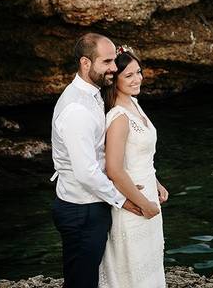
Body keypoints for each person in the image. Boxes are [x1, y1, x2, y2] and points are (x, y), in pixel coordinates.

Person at [51, 33, 145, 288]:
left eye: (114, 60)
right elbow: (86, 173)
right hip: (82, 209)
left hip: (91, 204)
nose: (114, 68)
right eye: (106, 62)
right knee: (82, 282)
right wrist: (123, 199)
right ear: (85, 63)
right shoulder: (76, 109)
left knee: (87, 277)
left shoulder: (93, 95)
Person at [98, 45, 168, 288]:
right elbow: (114, 170)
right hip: (133, 201)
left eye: (138, 72)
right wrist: (143, 203)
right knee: (132, 268)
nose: (137, 79)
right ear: (113, 79)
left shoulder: (134, 104)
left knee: (149, 263)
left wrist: (156, 183)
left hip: (148, 192)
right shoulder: (118, 117)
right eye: (128, 75)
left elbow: (140, 154)